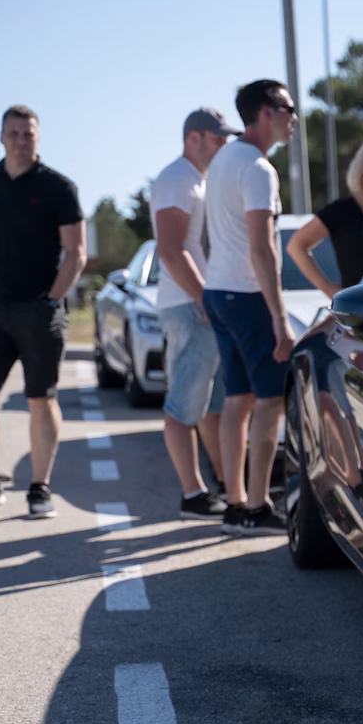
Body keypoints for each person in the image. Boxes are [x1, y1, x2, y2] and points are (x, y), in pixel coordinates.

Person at [0, 106, 87, 520]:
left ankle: (39, 489)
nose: (21, 140)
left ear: (38, 138)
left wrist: (50, 301)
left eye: (28, 134)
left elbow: (75, 253)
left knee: (40, 399)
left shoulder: (59, 188)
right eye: (14, 133)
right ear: (2, 137)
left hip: (38, 309)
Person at [202, 79, 298, 537]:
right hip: (245, 295)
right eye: (287, 108)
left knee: (236, 400)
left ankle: (235, 501)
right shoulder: (259, 168)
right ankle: (257, 506)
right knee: (267, 402)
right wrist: (280, 319)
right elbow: (263, 248)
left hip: (218, 291)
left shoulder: (222, 159)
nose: (293, 117)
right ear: (265, 112)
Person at [152, 107, 240, 520]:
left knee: (211, 407)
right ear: (194, 138)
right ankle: (192, 495)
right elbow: (171, 250)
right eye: (217, 138)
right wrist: (206, 300)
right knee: (184, 406)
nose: (224, 146)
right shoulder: (176, 179)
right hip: (190, 307)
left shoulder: (198, 180)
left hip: (201, 304)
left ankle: (221, 486)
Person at [286, 141, 363, 296]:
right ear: (362, 174)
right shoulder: (341, 211)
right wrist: (328, 289)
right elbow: (296, 245)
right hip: (357, 310)